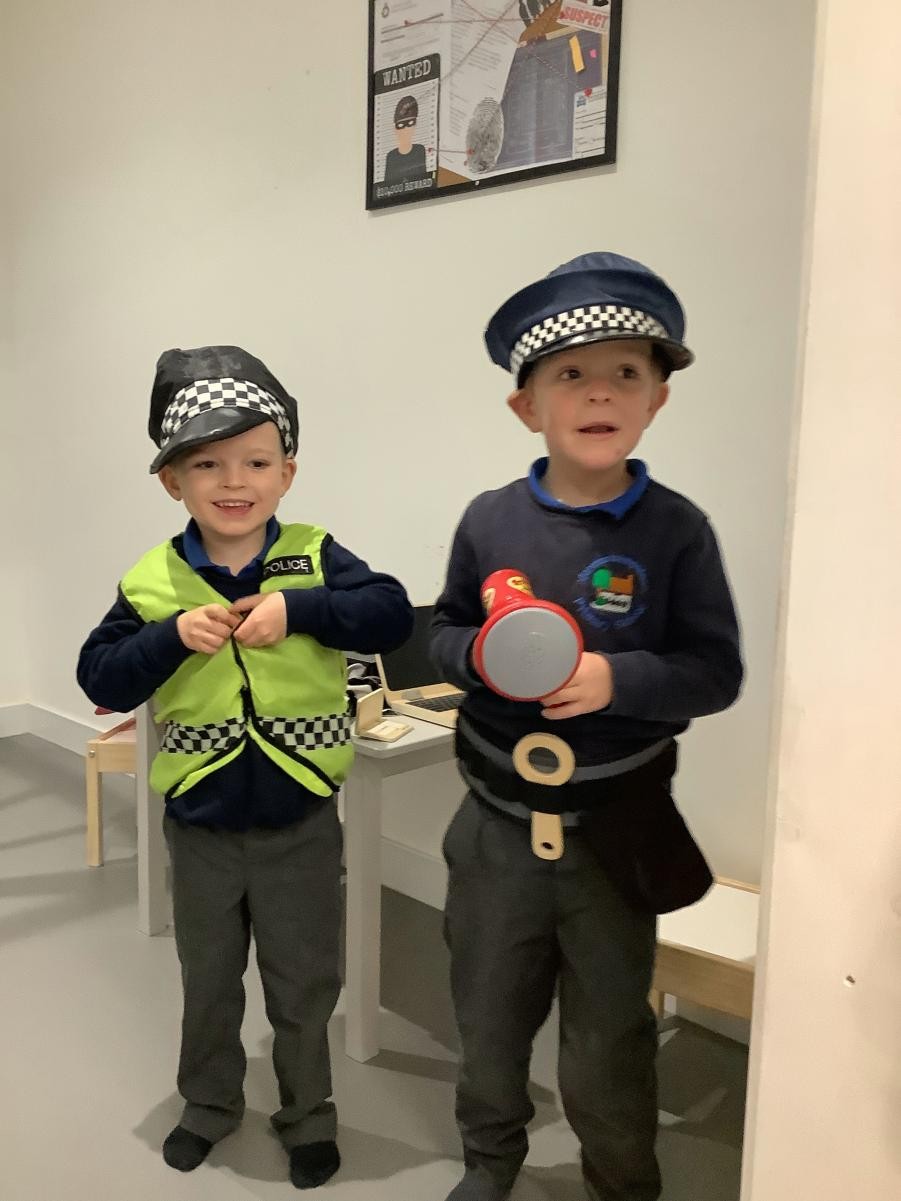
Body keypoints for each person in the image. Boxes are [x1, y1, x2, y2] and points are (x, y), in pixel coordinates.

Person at [431, 253, 744, 1201]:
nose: (599, 391)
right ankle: (490, 1161)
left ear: (656, 401)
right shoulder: (489, 520)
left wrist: (616, 678)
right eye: (571, 373)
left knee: (608, 1038)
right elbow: (441, 631)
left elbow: (715, 672)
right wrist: (478, 657)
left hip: (614, 835)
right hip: (494, 828)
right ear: (526, 406)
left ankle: (621, 1181)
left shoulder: (676, 530)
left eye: (626, 373)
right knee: (487, 1018)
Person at [77, 345, 413, 1189]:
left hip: (301, 822)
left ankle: (308, 1114)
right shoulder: (152, 580)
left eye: (257, 461)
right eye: (208, 464)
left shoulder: (316, 554)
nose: (235, 481)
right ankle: (208, 1103)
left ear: (286, 473)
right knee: (208, 980)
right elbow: (100, 676)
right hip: (200, 828)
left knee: (304, 983)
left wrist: (299, 611)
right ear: (173, 481)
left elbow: (389, 614)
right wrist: (165, 638)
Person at [383, 94, 428, 186]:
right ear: (395, 129)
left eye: (410, 123)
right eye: (401, 125)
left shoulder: (419, 150)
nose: (406, 129)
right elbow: (386, 186)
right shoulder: (391, 157)